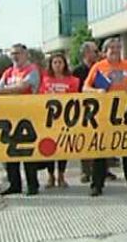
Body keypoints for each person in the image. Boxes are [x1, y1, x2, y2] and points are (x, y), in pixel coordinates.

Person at [83, 37, 127, 196]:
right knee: (101, 151)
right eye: (112, 47)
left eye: (118, 47)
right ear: (105, 51)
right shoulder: (99, 67)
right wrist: (97, 91)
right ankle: (97, 185)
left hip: (125, 114)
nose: (116, 50)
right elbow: (85, 87)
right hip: (104, 115)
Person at [0, 43, 42, 196]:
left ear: (25, 54)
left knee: (28, 151)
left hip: (28, 114)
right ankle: (14, 184)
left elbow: (24, 86)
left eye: (18, 53)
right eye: (13, 53)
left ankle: (32, 185)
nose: (15, 56)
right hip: (10, 115)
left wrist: (7, 90)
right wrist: (11, 89)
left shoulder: (32, 69)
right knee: (11, 151)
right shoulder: (8, 72)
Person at [39, 53, 80, 188]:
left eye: (60, 62)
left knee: (63, 148)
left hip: (65, 120)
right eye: (55, 62)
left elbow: (75, 99)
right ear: (51, 65)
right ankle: (50, 176)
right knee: (49, 148)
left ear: (64, 64)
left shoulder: (73, 80)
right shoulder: (45, 79)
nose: (57, 65)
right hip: (48, 120)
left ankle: (61, 175)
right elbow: (40, 96)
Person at [72, 41, 103, 183]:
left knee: (101, 139)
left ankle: (102, 170)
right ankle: (86, 171)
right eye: (95, 51)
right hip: (83, 109)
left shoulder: (100, 68)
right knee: (85, 140)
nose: (98, 54)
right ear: (86, 53)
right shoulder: (77, 71)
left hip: (101, 108)